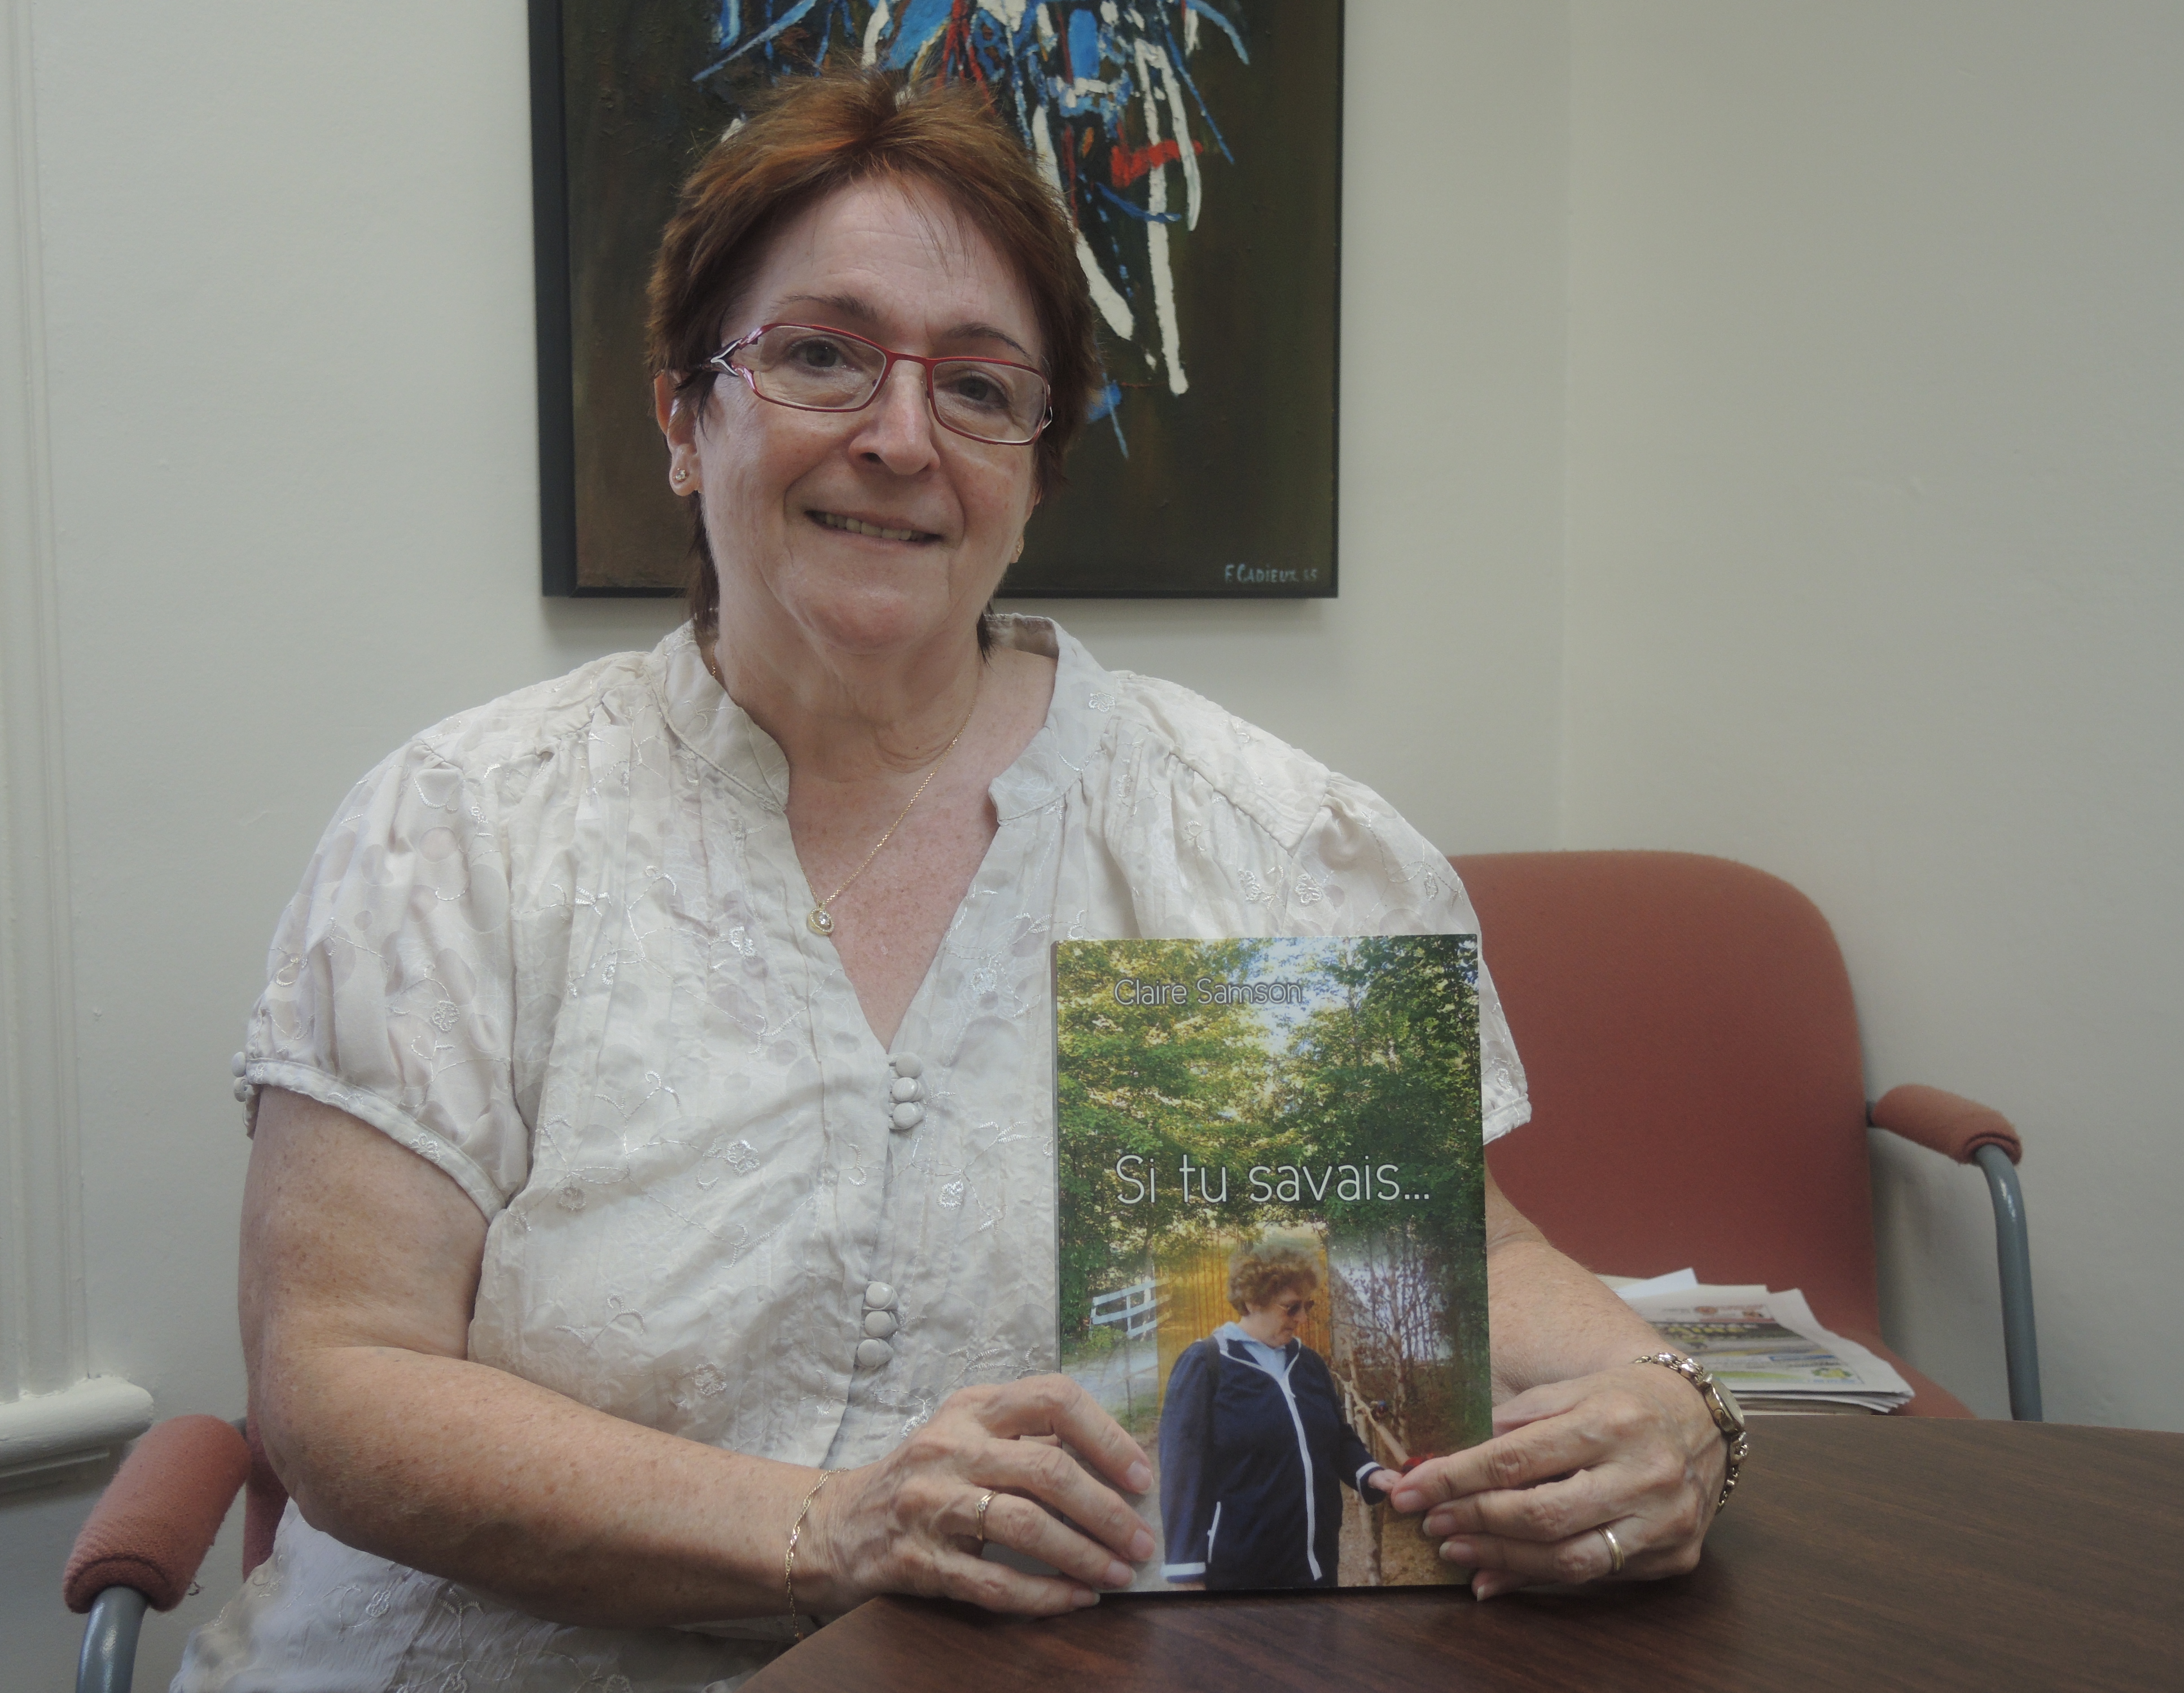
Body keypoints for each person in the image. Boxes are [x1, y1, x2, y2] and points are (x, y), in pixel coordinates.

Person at [181, 69, 1733, 1692]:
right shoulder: (466, 835)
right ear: (683, 414)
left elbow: (1456, 1276)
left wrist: (1673, 1412)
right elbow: (340, 1381)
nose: (901, 437)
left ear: (1036, 466)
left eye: (982, 388)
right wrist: (827, 1527)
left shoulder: (1252, 848)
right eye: (821, 356)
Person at [1157, 1236, 1401, 1590]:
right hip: (1242, 1573)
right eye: (1291, 1307)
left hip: (1316, 1565)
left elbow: (1337, 1437)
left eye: (1308, 1305)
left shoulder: (1310, 1364)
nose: (1303, 1318)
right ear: (1253, 1301)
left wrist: (1373, 1474)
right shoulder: (1206, 1365)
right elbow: (1182, 1474)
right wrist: (1188, 1575)